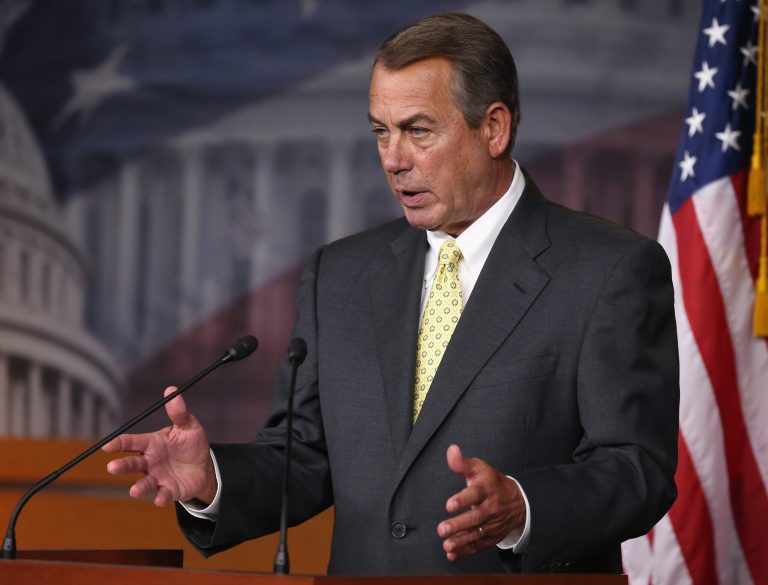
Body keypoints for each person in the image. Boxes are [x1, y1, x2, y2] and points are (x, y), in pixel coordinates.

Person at [103, 12, 679, 575]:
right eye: (381, 131)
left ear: (494, 129)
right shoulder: (340, 274)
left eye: (417, 130)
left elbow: (635, 468)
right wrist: (211, 478)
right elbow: (304, 456)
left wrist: (523, 505)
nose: (393, 159)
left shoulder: (609, 271)